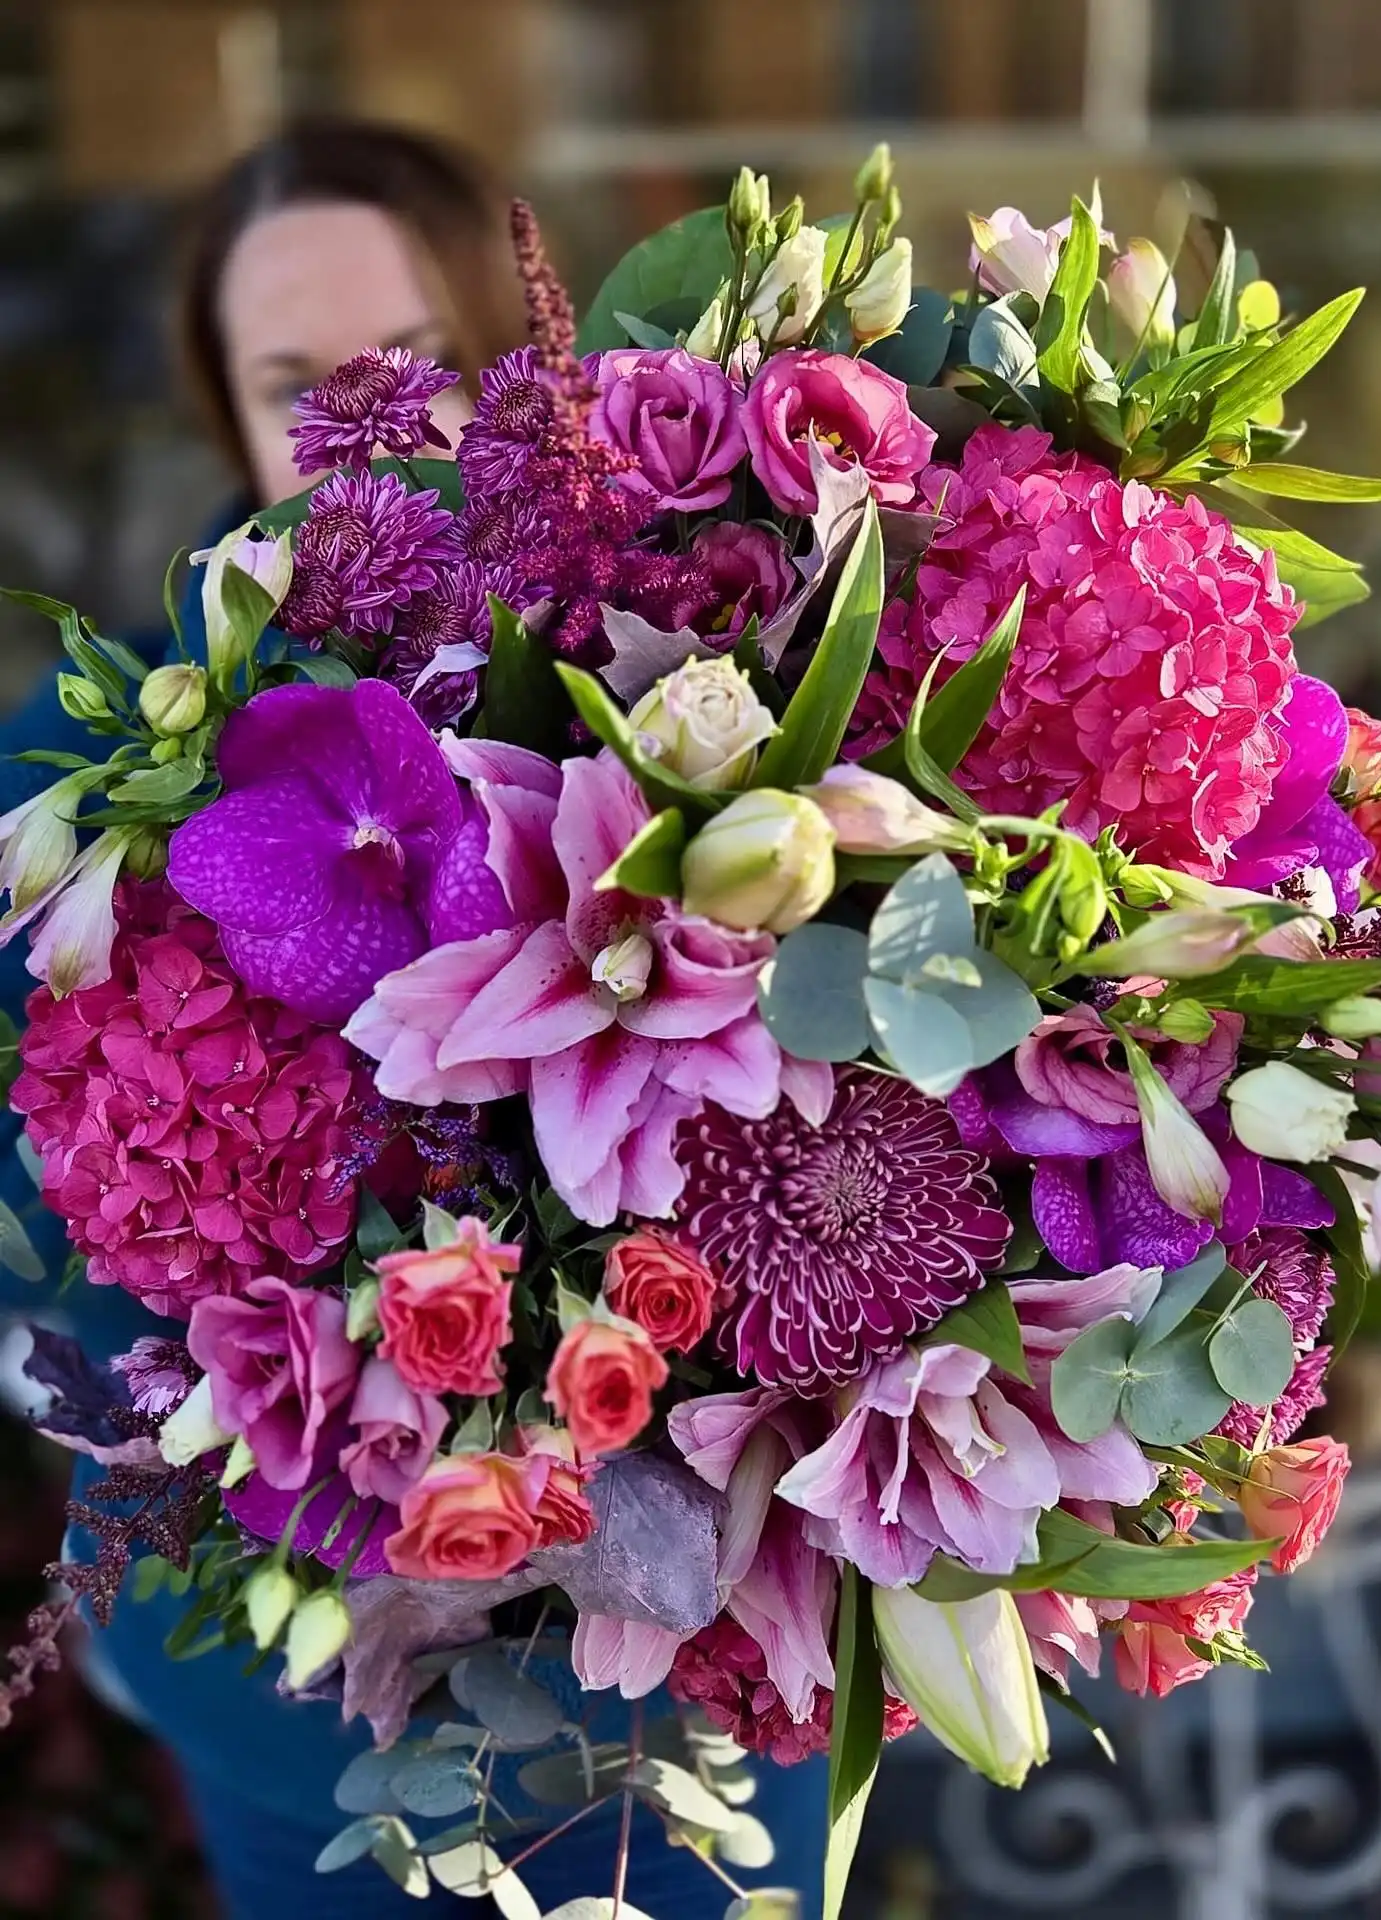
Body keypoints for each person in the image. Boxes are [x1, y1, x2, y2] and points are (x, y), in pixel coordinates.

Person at [0, 120, 828, 1919]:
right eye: (295, 382)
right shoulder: (74, 786)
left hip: (681, 1700)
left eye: (427, 367)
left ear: (521, 366)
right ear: (225, 414)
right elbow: (35, 1261)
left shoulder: (714, 683)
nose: (368, 423)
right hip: (299, 1723)